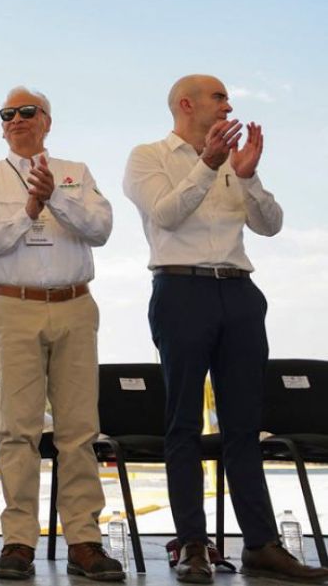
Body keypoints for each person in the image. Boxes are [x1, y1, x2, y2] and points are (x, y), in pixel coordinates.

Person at [123, 74, 327, 584]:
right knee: (184, 423)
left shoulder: (234, 162)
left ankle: (260, 545)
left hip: (239, 293)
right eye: (219, 97)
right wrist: (208, 165)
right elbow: (166, 216)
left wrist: (248, 177)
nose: (228, 106)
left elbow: (270, 225)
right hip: (181, 290)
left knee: (244, 425)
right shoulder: (148, 157)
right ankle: (193, 545)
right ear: (187, 104)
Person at [0, 86, 122, 581]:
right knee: (18, 430)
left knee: (79, 430)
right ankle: (18, 541)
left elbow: (101, 228)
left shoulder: (75, 172)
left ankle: (84, 540)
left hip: (75, 305)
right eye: (7, 113)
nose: (17, 119)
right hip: (14, 305)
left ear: (47, 121)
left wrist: (56, 198)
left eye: (27, 111)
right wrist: (26, 213)